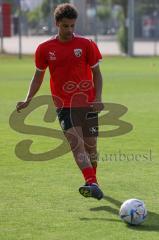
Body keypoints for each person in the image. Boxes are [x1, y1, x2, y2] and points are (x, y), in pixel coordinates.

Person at [16, 3, 104, 200]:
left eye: (72, 26)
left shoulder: (86, 44)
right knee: (76, 144)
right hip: (64, 105)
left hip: (88, 103)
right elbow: (38, 77)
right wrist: (28, 98)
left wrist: (98, 98)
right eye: (65, 26)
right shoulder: (45, 49)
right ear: (57, 23)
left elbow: (97, 73)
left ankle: (93, 181)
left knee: (91, 147)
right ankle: (91, 182)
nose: (70, 30)